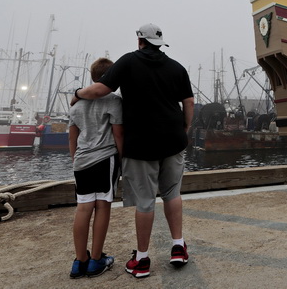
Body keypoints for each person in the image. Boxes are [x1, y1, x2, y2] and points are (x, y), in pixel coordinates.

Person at [72, 23, 194, 279]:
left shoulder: (128, 62)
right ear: (160, 43)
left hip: (140, 145)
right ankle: (178, 246)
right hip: (173, 139)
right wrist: (185, 127)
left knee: (145, 201)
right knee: (172, 193)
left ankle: (141, 260)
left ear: (139, 41)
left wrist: (76, 93)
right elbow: (188, 101)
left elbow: (100, 89)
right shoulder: (177, 67)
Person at [68, 57, 124, 279]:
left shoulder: (76, 103)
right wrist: (124, 160)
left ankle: (79, 261)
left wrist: (76, 161)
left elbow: (73, 137)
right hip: (105, 159)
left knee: (83, 208)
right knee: (103, 207)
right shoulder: (113, 101)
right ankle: (96, 260)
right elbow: (118, 133)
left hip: (81, 162)